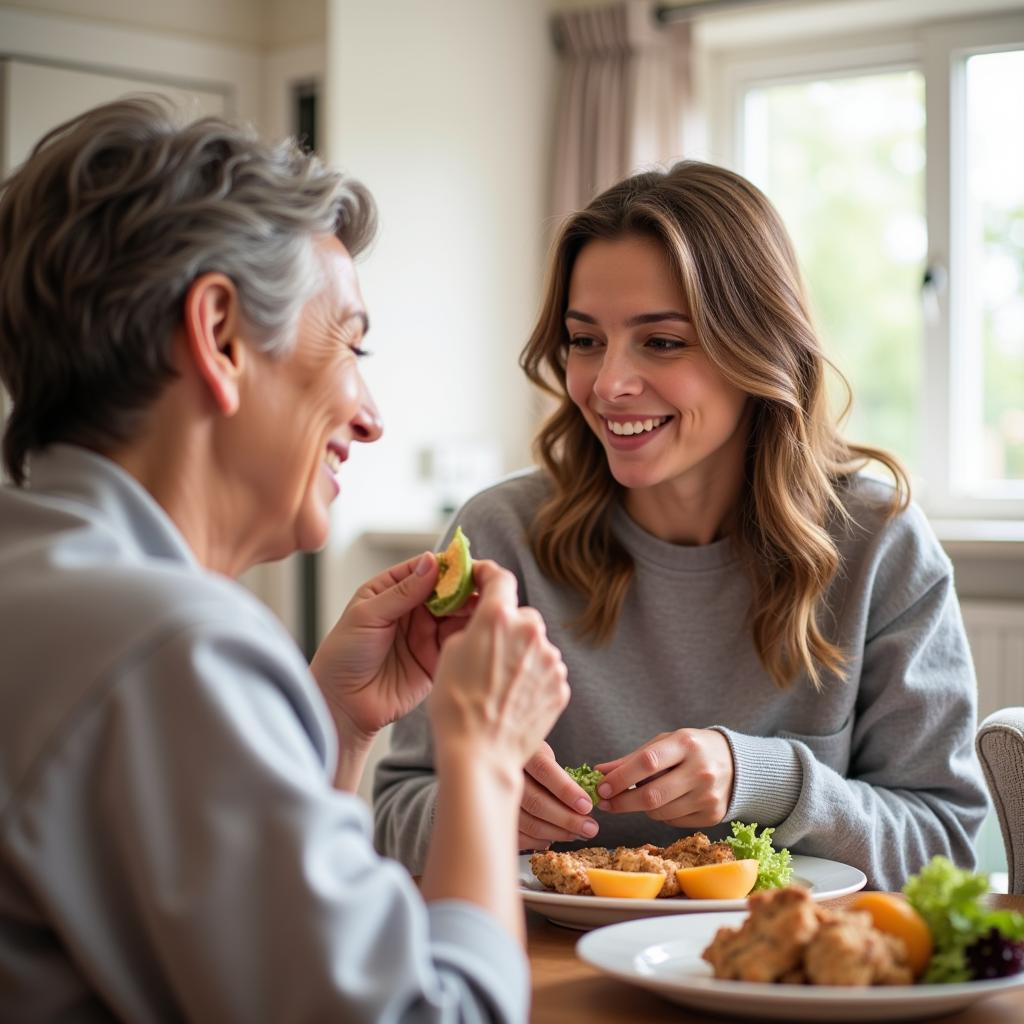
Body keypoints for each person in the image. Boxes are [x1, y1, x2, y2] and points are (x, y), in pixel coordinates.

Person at [0, 97, 569, 1023]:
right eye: (352, 341)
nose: (372, 414)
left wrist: (334, 734)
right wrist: (484, 759)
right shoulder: (174, 648)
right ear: (221, 334)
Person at [374, 160, 989, 891]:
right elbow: (396, 812)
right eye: (585, 339)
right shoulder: (501, 538)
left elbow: (946, 848)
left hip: (784, 982)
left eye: (661, 342)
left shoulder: (879, 544)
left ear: (758, 348)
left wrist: (777, 784)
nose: (607, 384)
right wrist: (481, 805)